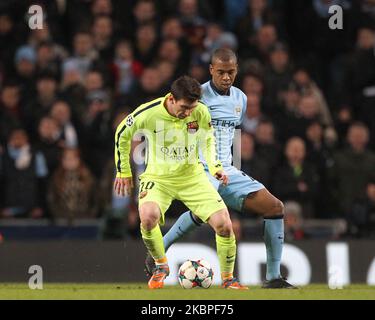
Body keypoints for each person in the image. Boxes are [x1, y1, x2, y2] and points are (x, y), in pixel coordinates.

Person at [145, 48, 296, 289]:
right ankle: (159, 251)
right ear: (211, 70)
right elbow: (174, 119)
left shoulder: (241, 99)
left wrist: (234, 168)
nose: (226, 77)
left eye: (231, 72)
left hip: (227, 169)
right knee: (203, 213)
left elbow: (233, 134)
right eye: (221, 72)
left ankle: (274, 277)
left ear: (237, 71)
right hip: (199, 166)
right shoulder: (198, 95)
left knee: (274, 207)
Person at [114, 75, 247, 290]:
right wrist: (123, 171)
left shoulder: (200, 112)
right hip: (158, 178)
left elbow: (208, 139)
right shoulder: (148, 113)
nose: (188, 113)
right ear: (172, 99)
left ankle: (228, 279)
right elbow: (122, 133)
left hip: (192, 177)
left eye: (192, 108)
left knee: (224, 225)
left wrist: (215, 167)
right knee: (148, 218)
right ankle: (160, 266)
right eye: (185, 107)